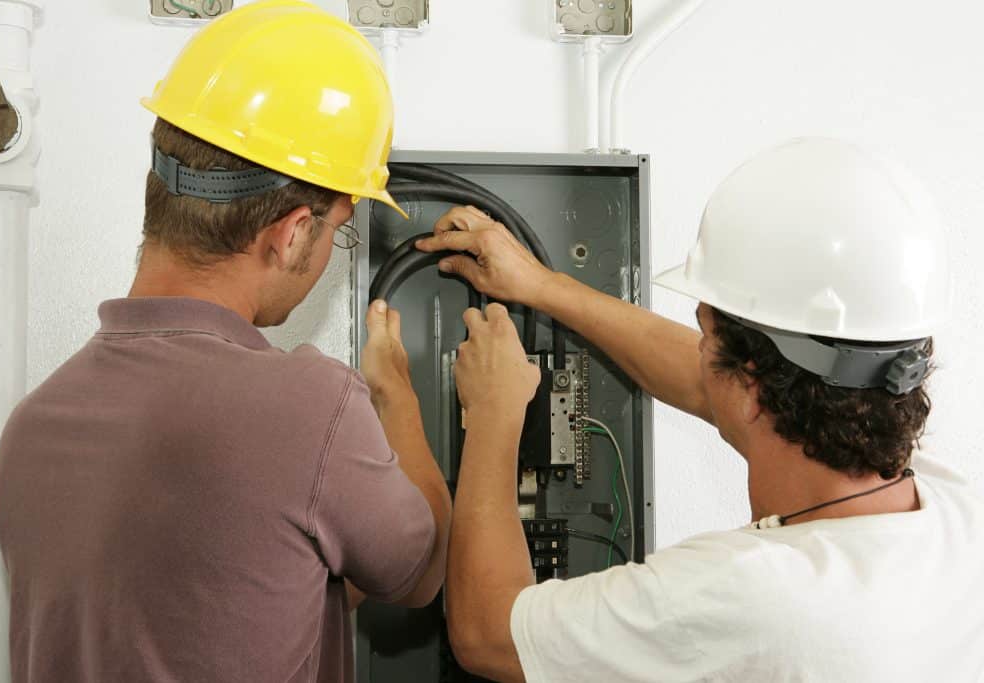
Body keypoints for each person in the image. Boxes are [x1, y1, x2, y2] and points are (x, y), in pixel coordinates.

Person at [0, 3, 450, 682]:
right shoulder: (307, 407)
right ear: (293, 231)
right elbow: (421, 568)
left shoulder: (31, 428)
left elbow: (226, 596)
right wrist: (398, 393)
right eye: (336, 234)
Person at [421, 138, 984, 682]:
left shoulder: (749, 594)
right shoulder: (954, 516)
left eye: (705, 331)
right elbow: (711, 382)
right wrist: (544, 287)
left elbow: (489, 634)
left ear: (752, 378)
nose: (698, 350)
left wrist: (494, 413)